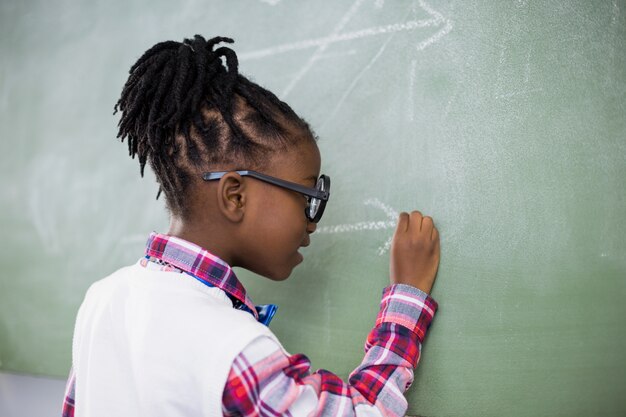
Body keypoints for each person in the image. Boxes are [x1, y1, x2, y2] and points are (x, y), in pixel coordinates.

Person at [62, 34, 440, 417]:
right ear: (235, 197)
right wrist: (406, 302)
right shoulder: (233, 349)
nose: (311, 223)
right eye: (306, 196)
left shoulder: (103, 299)